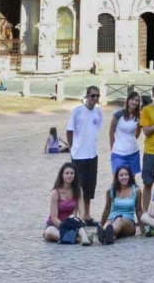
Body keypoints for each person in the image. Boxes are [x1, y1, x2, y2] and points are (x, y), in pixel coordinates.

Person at [66, 85, 104, 225]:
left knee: (90, 186)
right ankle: (76, 215)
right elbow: (69, 131)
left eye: (97, 96)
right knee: (78, 187)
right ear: (87, 96)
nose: (94, 98)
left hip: (92, 153)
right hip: (79, 155)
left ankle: (87, 215)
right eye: (92, 96)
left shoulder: (99, 112)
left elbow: (97, 129)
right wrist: (72, 148)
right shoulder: (77, 111)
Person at [43, 161, 92, 245]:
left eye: (72, 173)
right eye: (67, 173)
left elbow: (82, 211)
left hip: (72, 222)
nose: (69, 175)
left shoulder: (78, 190)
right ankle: (79, 239)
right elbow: (54, 218)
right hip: (56, 225)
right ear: (62, 175)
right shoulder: (55, 193)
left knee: (74, 218)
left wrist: (78, 221)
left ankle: (80, 236)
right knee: (48, 233)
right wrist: (64, 227)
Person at [97, 164, 142, 244]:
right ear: (117, 177)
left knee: (119, 220)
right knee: (109, 223)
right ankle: (107, 233)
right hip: (111, 219)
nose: (124, 177)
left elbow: (139, 211)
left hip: (128, 222)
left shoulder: (136, 190)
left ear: (130, 176)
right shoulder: (110, 190)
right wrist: (101, 224)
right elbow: (107, 209)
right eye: (121, 175)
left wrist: (143, 230)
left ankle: (107, 233)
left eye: (126, 174)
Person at [109, 91, 142, 176]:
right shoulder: (118, 115)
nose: (134, 102)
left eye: (137, 100)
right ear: (127, 100)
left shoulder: (139, 116)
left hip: (133, 153)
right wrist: (112, 149)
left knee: (131, 180)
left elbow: (137, 134)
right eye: (132, 99)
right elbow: (111, 133)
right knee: (118, 180)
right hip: (119, 153)